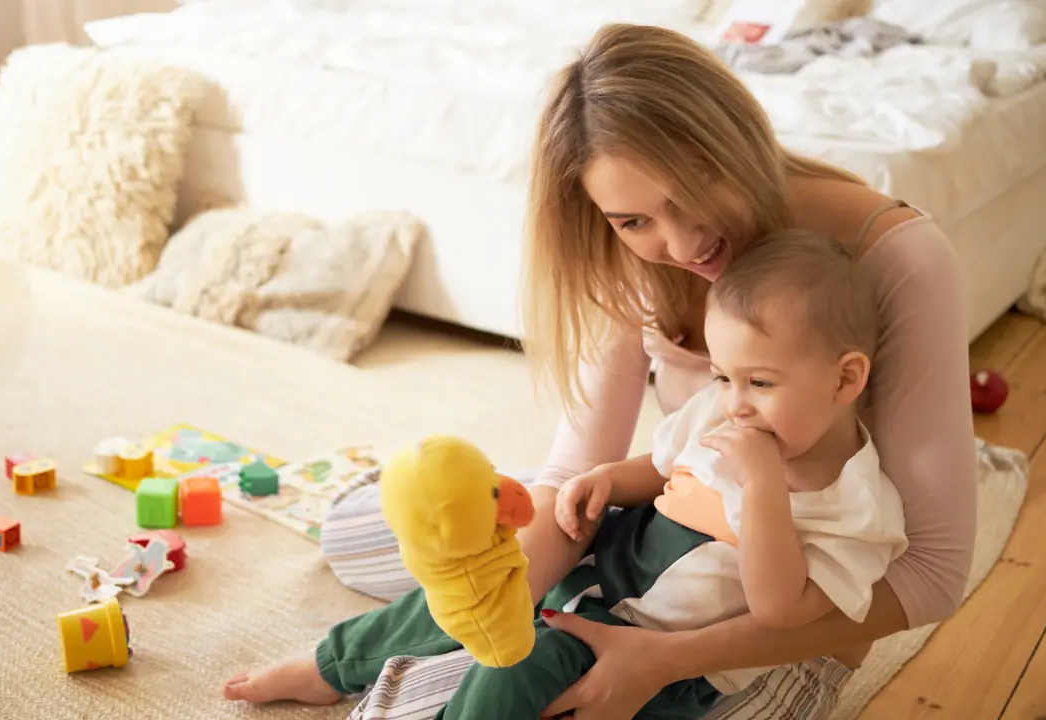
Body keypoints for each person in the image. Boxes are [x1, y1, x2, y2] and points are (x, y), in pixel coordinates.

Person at [271, 21, 977, 719]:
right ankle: (376, 647)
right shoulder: (636, 250)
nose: (683, 245)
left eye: (691, 192)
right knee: (364, 540)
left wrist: (661, 660)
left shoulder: (895, 259)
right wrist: (505, 602)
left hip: (766, 626)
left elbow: (933, 576)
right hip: (649, 545)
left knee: (416, 706)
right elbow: (579, 473)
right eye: (633, 221)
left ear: (734, 141)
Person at [222, 230, 909, 718]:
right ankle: (331, 665)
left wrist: (761, 490)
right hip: (599, 567)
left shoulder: (857, 507)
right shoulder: (717, 410)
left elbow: (782, 610)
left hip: (660, 649)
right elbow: (660, 468)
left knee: (520, 668)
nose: (734, 403)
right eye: (724, 376)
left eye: (759, 382)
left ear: (845, 378)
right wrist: (609, 480)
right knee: (474, 591)